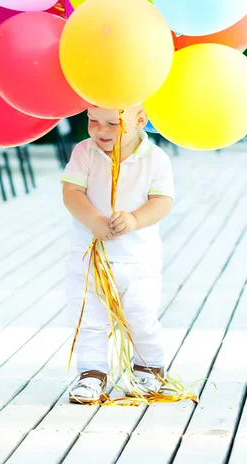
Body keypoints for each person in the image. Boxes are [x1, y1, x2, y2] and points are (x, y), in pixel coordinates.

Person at [62, 105, 175, 404]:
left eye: (113, 123)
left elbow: (162, 201)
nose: (101, 130)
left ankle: (149, 367)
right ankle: (92, 372)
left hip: (138, 259)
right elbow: (71, 192)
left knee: (141, 315)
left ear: (140, 120)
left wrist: (135, 219)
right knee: (89, 318)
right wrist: (94, 221)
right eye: (92, 120)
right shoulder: (84, 153)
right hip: (89, 258)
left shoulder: (155, 159)